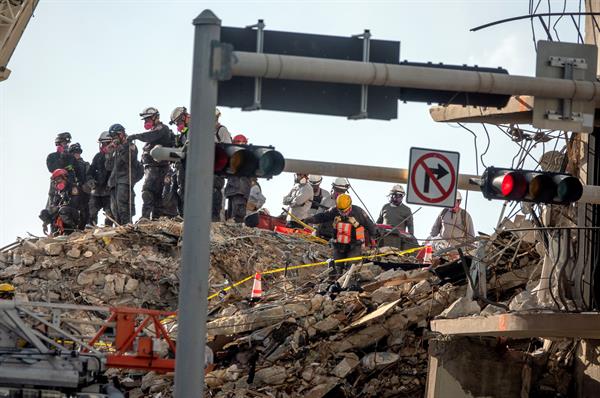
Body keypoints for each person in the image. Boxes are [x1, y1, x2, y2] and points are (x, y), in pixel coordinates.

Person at [304, 194, 376, 281]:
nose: (343, 213)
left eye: (345, 211)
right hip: (339, 244)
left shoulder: (358, 212)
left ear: (350, 206)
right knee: (337, 266)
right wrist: (312, 219)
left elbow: (369, 224)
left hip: (354, 244)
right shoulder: (334, 211)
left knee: (351, 267)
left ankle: (349, 284)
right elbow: (323, 216)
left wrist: (373, 236)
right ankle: (335, 283)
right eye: (341, 211)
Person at [127, 107, 175, 219]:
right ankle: (153, 220)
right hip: (152, 168)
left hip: (158, 168)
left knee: (148, 192)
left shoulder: (162, 129)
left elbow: (151, 136)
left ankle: (146, 218)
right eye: (145, 120)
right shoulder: (156, 131)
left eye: (148, 119)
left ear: (155, 117)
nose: (146, 122)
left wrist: (136, 136)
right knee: (156, 195)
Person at [106, 123, 142, 225]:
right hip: (114, 182)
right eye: (112, 137)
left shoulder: (130, 145)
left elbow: (128, 159)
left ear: (121, 134)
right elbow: (108, 167)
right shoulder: (115, 149)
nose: (114, 139)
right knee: (115, 209)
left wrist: (120, 147)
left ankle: (127, 226)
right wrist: (109, 153)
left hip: (125, 180)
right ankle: (119, 227)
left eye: (115, 136)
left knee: (123, 207)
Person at [39, 168, 82, 235]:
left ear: (65, 178)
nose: (57, 182)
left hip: (73, 214)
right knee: (44, 212)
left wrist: (58, 207)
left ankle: (71, 230)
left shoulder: (73, 187)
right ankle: (55, 231)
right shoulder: (58, 193)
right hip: (61, 212)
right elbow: (53, 206)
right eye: (55, 181)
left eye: (59, 179)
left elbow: (74, 203)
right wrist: (45, 222)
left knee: (63, 210)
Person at [166, 106, 190, 216]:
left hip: (190, 168)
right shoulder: (182, 135)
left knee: (185, 192)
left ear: (185, 117)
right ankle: (181, 215)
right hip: (180, 168)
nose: (178, 125)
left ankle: (186, 215)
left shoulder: (195, 130)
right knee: (177, 192)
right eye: (176, 123)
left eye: (179, 121)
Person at [376, 184, 417, 249]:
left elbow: (410, 229)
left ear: (401, 196)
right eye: (393, 195)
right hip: (383, 238)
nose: (395, 197)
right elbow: (378, 223)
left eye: (398, 196)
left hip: (398, 240)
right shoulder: (385, 207)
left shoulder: (407, 210)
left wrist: (410, 239)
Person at [224, 134, 252, 223]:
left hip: (239, 192)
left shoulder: (247, 156)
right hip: (233, 191)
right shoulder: (233, 155)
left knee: (236, 219)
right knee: (230, 219)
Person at [88, 131, 114, 226]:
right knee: (91, 212)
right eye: (102, 143)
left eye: (105, 143)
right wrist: (90, 180)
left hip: (110, 192)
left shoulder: (116, 156)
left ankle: (108, 231)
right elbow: (90, 171)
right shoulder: (98, 157)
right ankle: (91, 229)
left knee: (110, 214)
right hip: (96, 191)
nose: (103, 146)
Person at [213, 108, 232, 221]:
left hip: (217, 171)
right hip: (206, 169)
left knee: (215, 196)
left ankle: (214, 221)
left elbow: (228, 150)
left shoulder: (221, 130)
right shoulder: (204, 132)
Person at [68, 143, 93, 227]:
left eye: (78, 152)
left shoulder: (85, 164)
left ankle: (88, 224)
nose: (76, 154)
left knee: (85, 209)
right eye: (74, 152)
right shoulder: (67, 166)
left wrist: (88, 185)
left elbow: (89, 176)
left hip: (83, 190)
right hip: (71, 191)